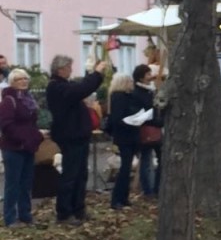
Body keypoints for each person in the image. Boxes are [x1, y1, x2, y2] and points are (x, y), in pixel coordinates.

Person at [45, 54, 107, 225]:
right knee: (70, 175)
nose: (71, 70)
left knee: (80, 174)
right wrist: (96, 74)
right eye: (69, 67)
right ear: (61, 69)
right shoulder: (56, 87)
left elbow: (82, 88)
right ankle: (64, 212)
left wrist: (96, 76)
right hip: (70, 136)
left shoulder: (64, 85)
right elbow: (81, 90)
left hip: (78, 135)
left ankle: (78, 208)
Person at [0, 68, 45, 226]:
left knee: (26, 183)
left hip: (28, 147)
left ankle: (26, 215)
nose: (24, 81)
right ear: (13, 82)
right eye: (20, 79)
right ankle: (10, 218)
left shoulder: (28, 99)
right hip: (13, 148)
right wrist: (25, 138)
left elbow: (31, 123)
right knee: (13, 184)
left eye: (25, 78)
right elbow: (6, 125)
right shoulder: (8, 100)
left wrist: (36, 136)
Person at [106, 72, 144, 210]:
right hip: (125, 136)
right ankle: (118, 198)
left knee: (126, 168)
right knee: (125, 168)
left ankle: (123, 197)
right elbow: (119, 119)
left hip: (128, 136)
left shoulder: (123, 97)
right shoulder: (119, 98)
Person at [131, 63, 161, 197]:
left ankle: (156, 187)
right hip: (147, 129)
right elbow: (144, 112)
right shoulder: (138, 93)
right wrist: (157, 120)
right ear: (141, 77)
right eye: (148, 74)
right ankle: (149, 190)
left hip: (154, 127)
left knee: (157, 159)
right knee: (147, 160)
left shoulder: (150, 90)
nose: (151, 77)